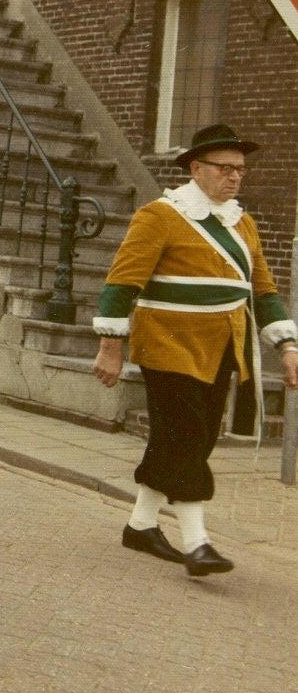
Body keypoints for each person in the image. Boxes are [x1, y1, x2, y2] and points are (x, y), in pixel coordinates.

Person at [92, 123, 298, 577]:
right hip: (167, 343)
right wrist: (111, 346)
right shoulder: (161, 216)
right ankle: (198, 541)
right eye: (224, 168)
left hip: (224, 346)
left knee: (190, 437)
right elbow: (122, 282)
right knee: (186, 433)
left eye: (240, 170)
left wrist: (286, 344)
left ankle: (141, 525)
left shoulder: (241, 222)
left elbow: (262, 289)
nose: (234, 177)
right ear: (196, 168)